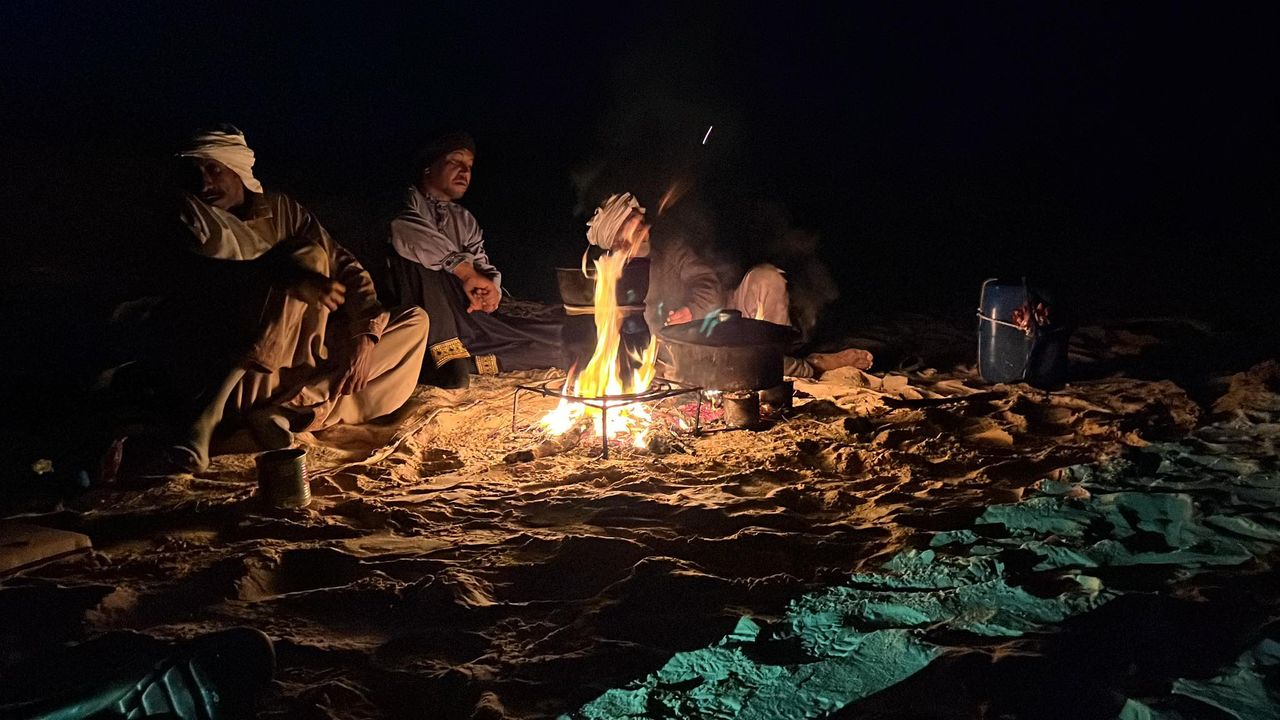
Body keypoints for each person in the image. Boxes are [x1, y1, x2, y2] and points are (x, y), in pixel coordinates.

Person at [121, 125, 429, 473]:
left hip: (296, 367)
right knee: (304, 257)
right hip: (233, 374)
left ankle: (283, 412)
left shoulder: (282, 211)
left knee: (414, 322)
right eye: (194, 172)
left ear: (236, 167)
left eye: (213, 169)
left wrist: (366, 335)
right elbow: (199, 286)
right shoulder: (191, 219)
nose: (204, 183)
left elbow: (346, 267)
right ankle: (223, 418)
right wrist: (288, 276)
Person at [586, 193, 873, 378]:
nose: (647, 229)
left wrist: (691, 309)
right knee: (745, 368)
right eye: (637, 227)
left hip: (727, 316)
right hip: (688, 348)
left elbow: (707, 282)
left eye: (643, 222)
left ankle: (786, 359)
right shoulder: (610, 278)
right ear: (618, 240)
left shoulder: (671, 250)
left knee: (766, 277)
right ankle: (813, 365)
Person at [386, 131, 563, 388]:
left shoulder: (464, 219)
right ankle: (444, 357)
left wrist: (490, 290)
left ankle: (472, 363)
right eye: (454, 161)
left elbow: (481, 262)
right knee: (418, 263)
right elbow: (404, 229)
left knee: (561, 338)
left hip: (469, 317)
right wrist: (465, 272)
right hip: (431, 316)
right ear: (428, 167)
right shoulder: (405, 200)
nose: (464, 171)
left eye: (469, 166)